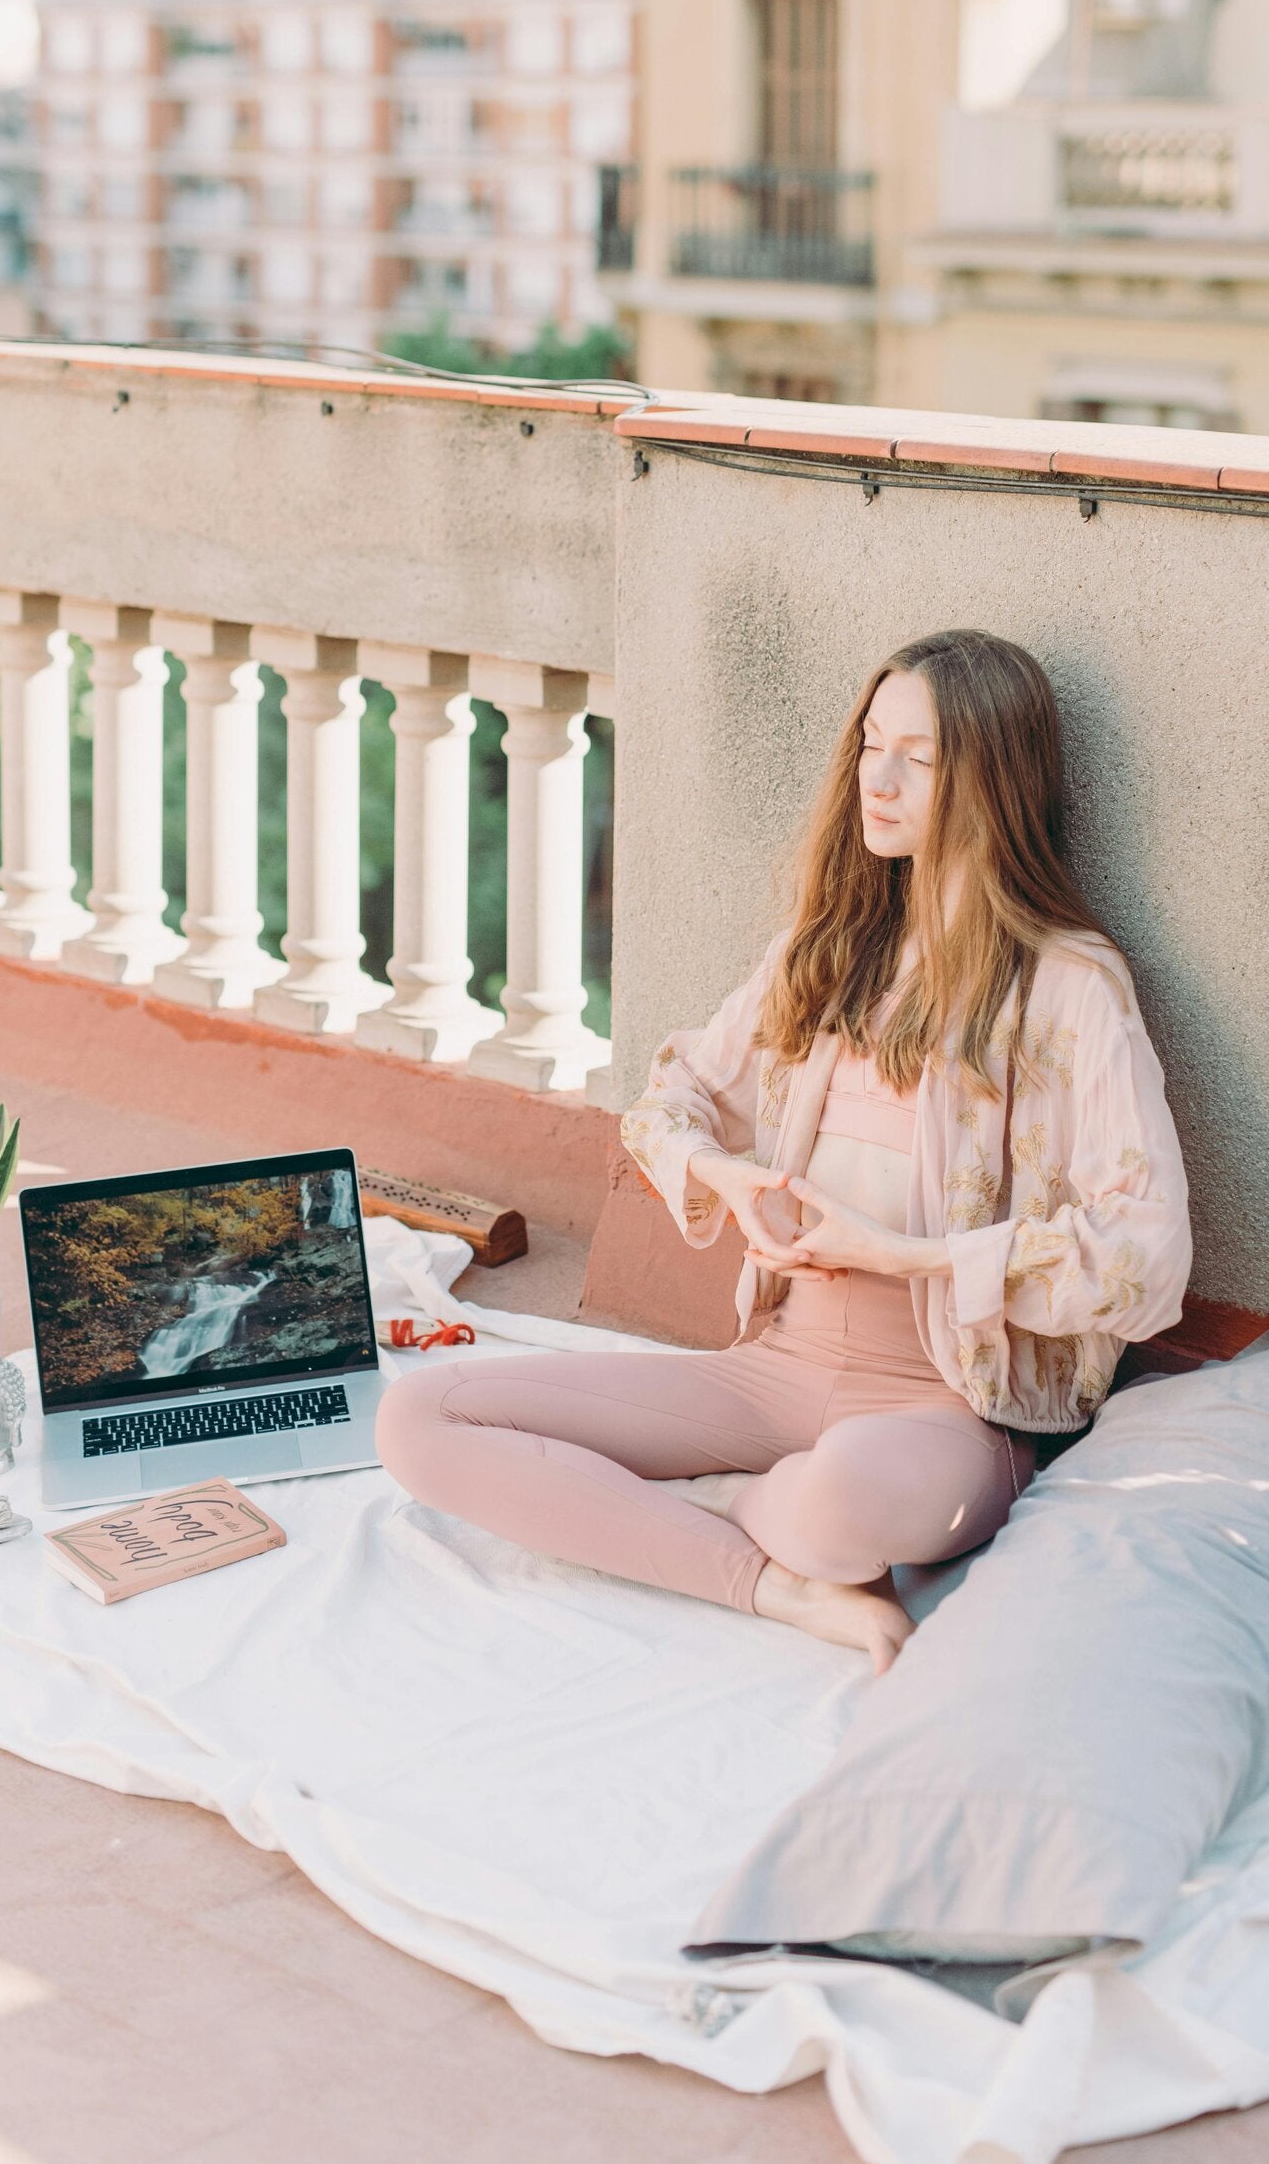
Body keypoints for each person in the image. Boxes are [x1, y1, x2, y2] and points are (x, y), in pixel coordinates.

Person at [377, 629, 1192, 1669]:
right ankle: (775, 1583)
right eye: (871, 745)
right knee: (421, 1416)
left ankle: (697, 1508)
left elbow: (1146, 1257)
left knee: (845, 1497)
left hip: (944, 1404)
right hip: (772, 1372)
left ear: (997, 783)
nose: (877, 781)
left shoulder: (1071, 986)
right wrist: (724, 1175)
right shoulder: (825, 951)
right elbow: (668, 1100)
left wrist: (910, 1256)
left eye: (920, 758)